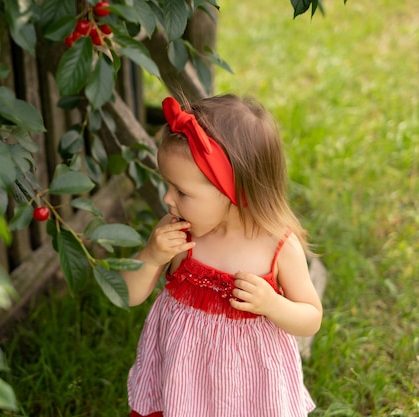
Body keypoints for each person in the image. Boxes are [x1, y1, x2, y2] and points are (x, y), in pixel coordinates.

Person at [122, 94, 323, 417]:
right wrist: (151, 255)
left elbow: (311, 318)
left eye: (181, 192)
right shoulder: (178, 233)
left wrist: (273, 305)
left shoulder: (277, 247)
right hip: (183, 388)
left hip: (249, 394)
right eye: (168, 185)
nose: (167, 198)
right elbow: (128, 295)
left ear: (235, 191)